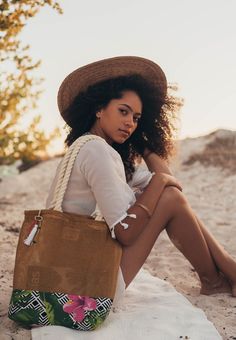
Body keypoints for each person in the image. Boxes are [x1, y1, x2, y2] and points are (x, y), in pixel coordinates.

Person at [46, 56, 236, 306]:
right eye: (123, 111)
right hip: (83, 284)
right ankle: (219, 276)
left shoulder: (105, 153)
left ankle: (219, 275)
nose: (129, 123)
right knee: (167, 197)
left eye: (136, 118)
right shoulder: (95, 151)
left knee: (170, 195)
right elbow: (126, 233)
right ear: (99, 109)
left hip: (75, 270)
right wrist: (158, 184)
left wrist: (143, 145)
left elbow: (171, 182)